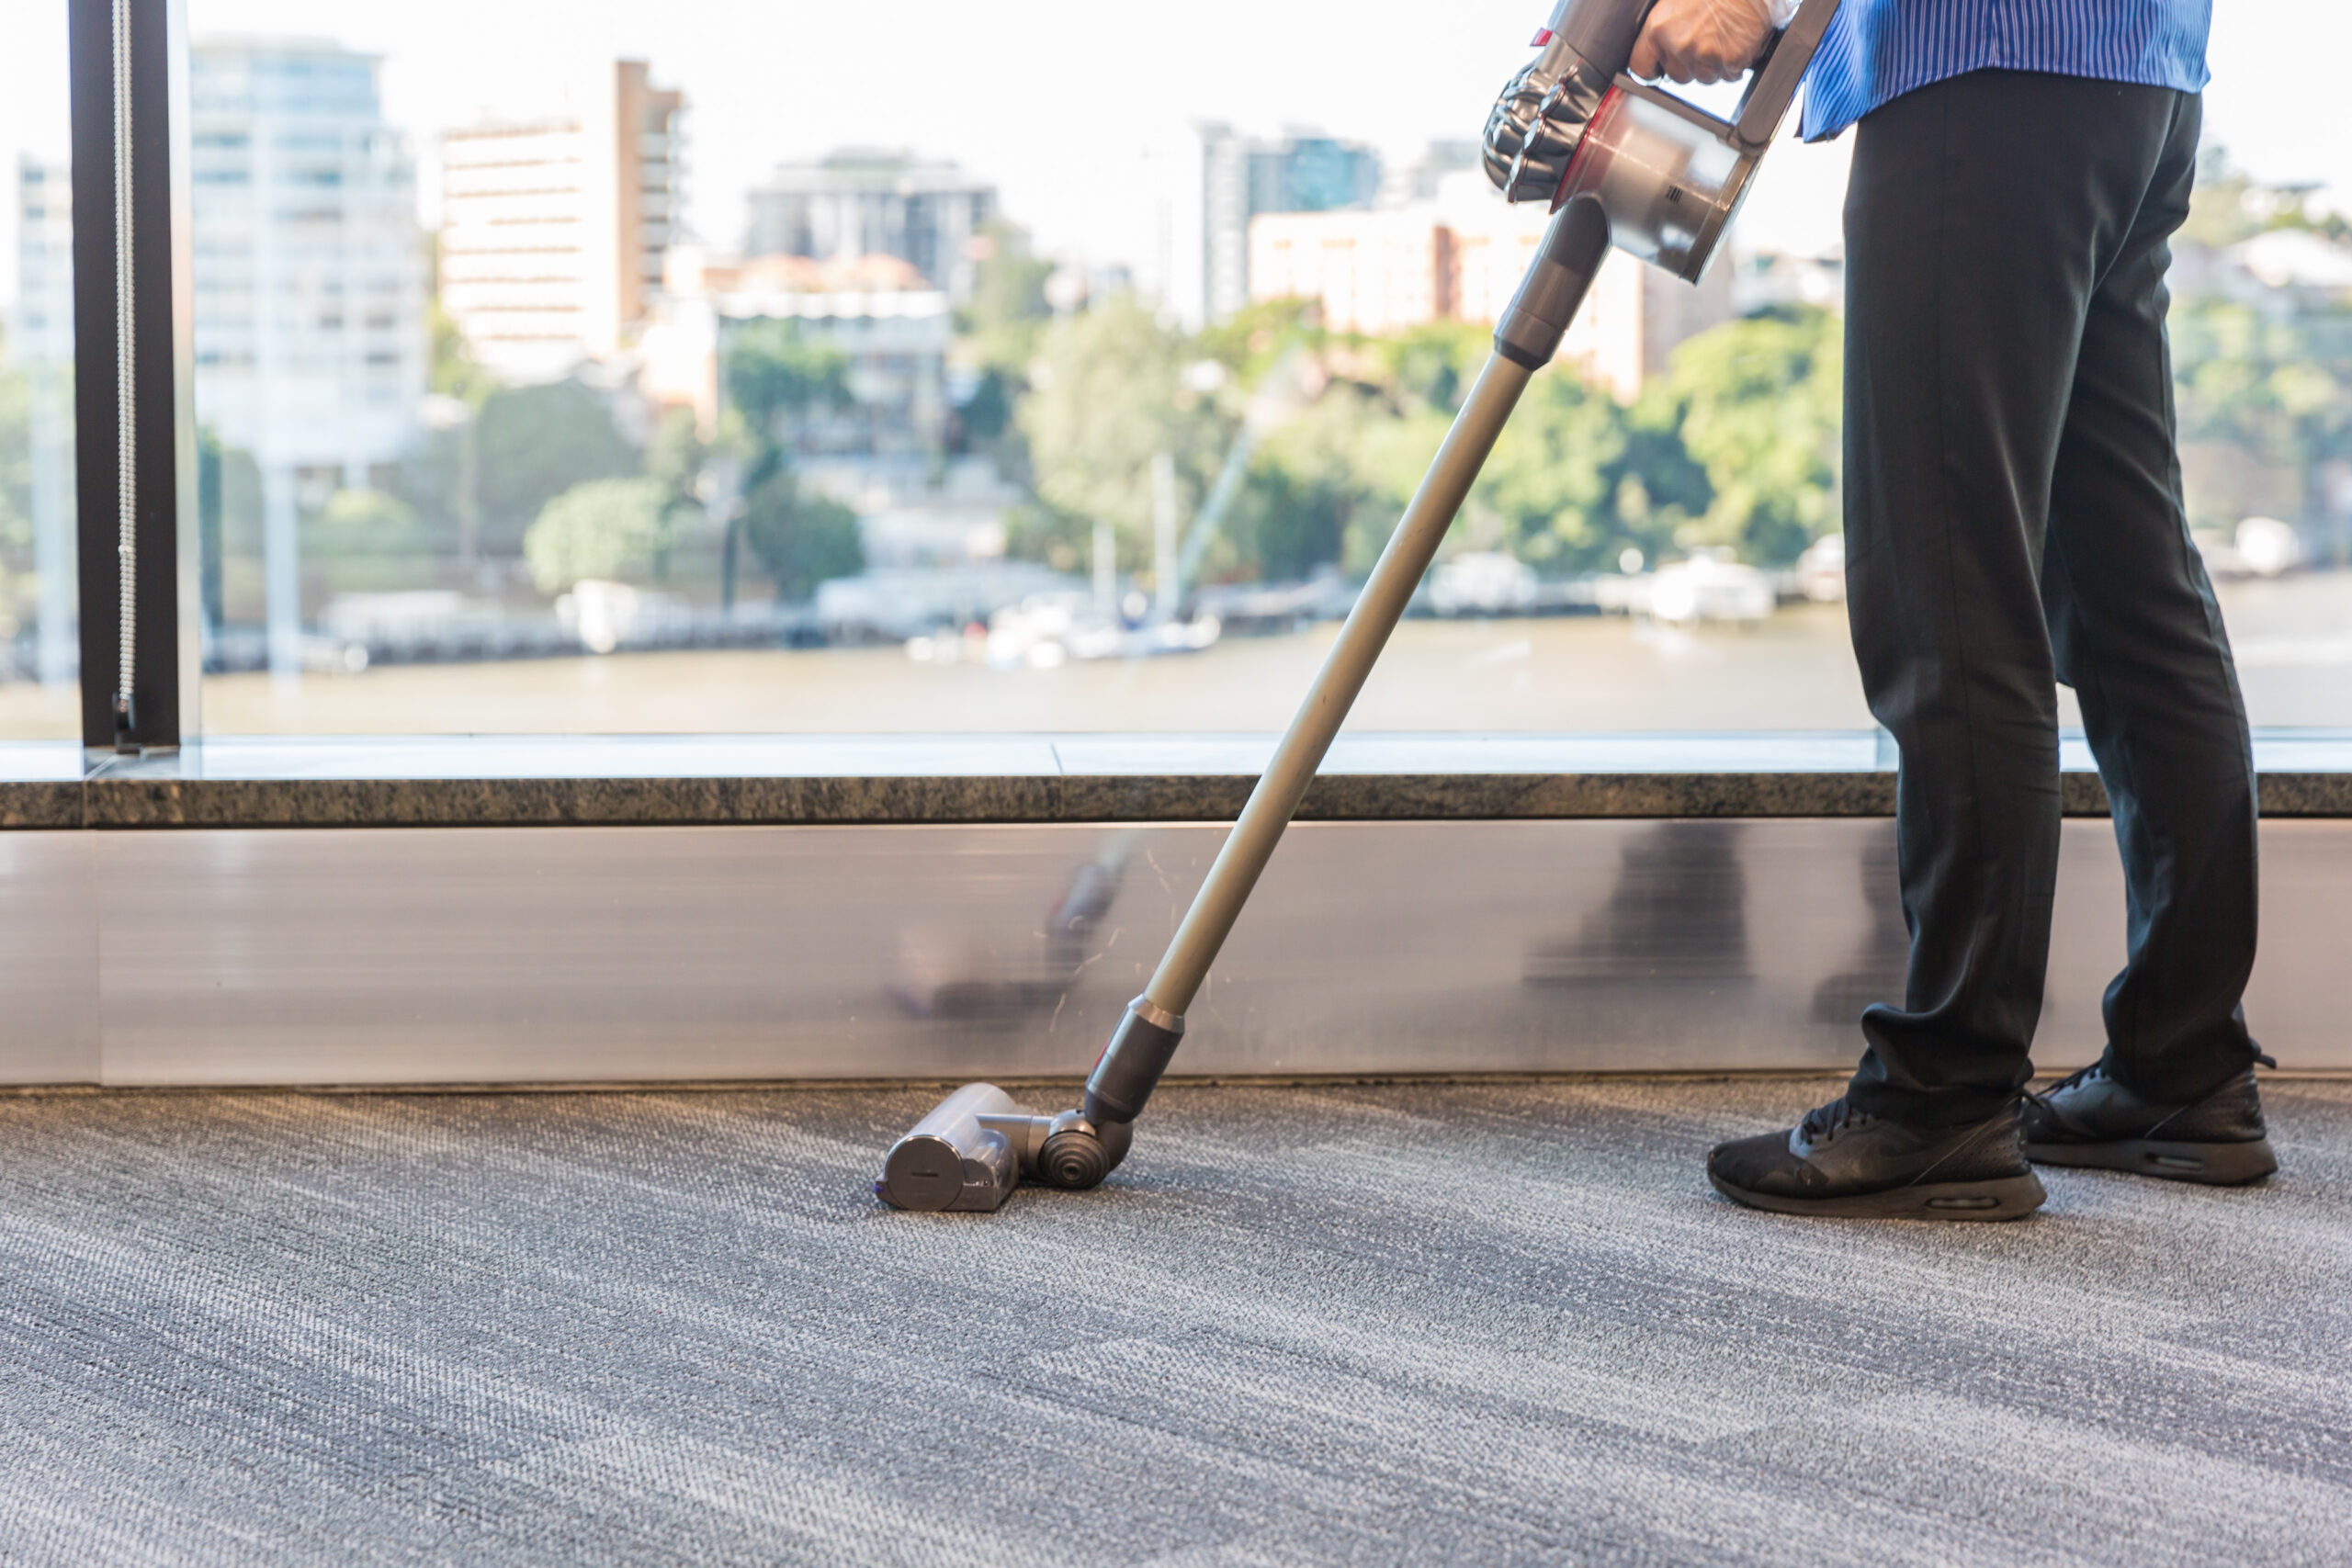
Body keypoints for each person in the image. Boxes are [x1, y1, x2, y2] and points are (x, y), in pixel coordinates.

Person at [1634, 0, 2278, 1219]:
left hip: (1981, 68)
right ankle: (2184, 1069)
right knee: (2124, 579)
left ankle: (1947, 1094)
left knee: (1945, 579)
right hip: (2132, 77)